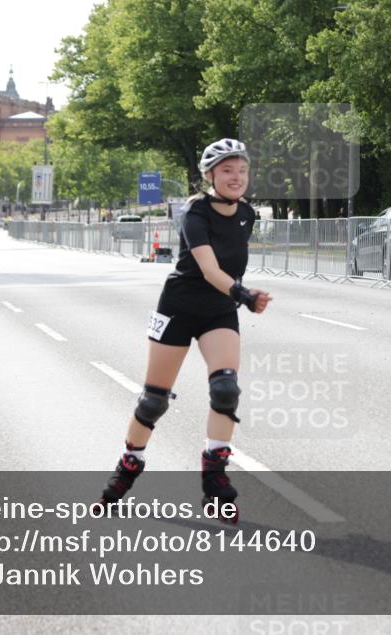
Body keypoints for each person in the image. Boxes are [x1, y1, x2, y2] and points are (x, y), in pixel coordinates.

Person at [97, 138, 273, 523]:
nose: (236, 177)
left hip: (219, 310)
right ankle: (129, 464)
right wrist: (245, 295)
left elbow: (230, 267)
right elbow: (209, 270)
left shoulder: (247, 214)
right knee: (153, 401)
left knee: (226, 390)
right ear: (210, 175)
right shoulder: (195, 211)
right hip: (179, 307)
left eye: (242, 170)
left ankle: (215, 479)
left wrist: (237, 296)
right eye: (227, 170)